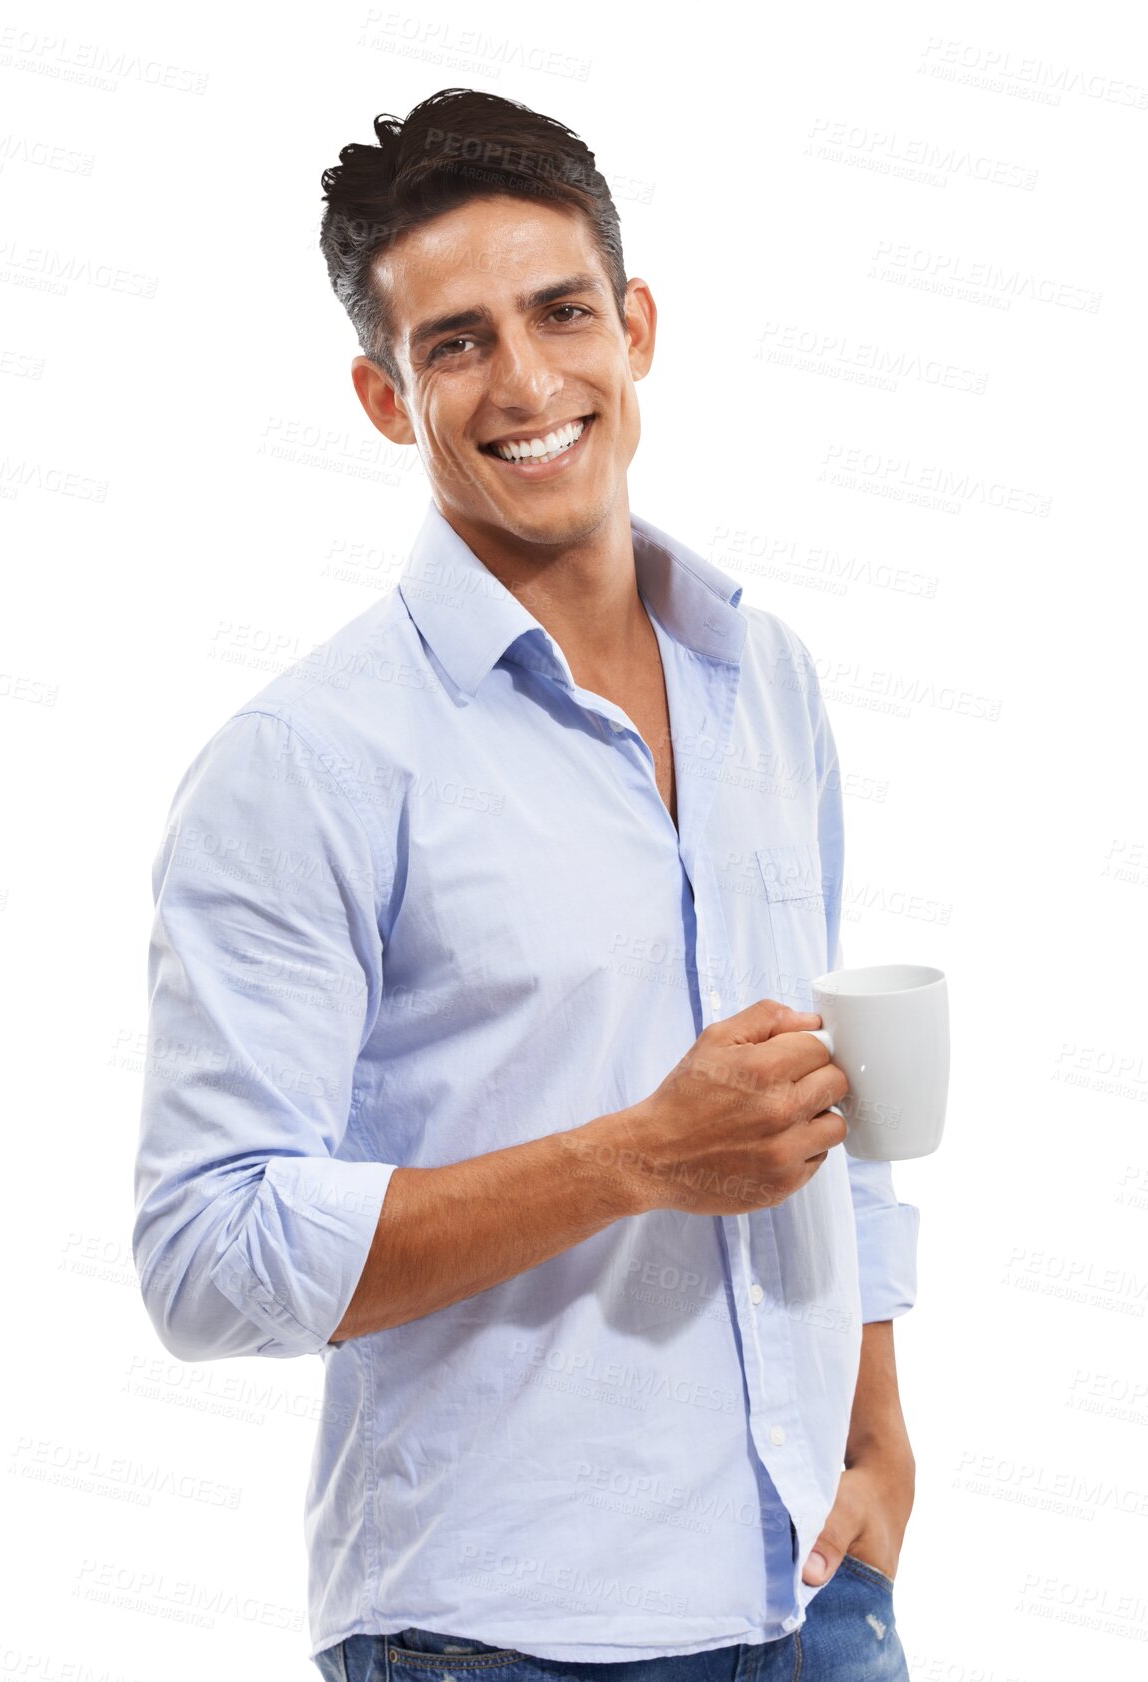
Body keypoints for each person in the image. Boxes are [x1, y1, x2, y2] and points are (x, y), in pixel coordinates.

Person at [132, 87, 920, 1680]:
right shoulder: (307, 757)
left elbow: (833, 1094)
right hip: (504, 1635)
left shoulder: (762, 672)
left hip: (812, 1588)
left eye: (561, 312)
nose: (529, 381)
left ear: (634, 324)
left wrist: (878, 1436)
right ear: (381, 393)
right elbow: (203, 1255)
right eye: (456, 342)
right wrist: (634, 1156)